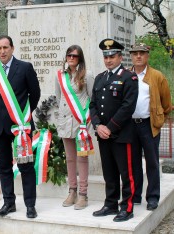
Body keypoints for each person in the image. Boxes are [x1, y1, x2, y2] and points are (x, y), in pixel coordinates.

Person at [0, 35, 41, 218]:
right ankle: (9, 203)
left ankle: (30, 205)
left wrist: (23, 116)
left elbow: (35, 94)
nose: (2, 51)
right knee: (4, 167)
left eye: (5, 47)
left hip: (21, 126)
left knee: (26, 166)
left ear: (12, 48)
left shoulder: (24, 67)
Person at [89, 39, 138, 222]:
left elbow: (128, 107)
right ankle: (110, 204)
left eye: (112, 56)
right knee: (109, 172)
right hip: (103, 135)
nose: (108, 60)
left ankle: (127, 207)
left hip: (121, 134)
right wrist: (97, 126)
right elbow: (93, 105)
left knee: (126, 173)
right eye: (106, 56)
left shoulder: (128, 77)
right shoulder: (101, 78)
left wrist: (109, 127)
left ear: (119, 57)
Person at [129, 43, 172, 210]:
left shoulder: (157, 76)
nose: (138, 56)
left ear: (147, 56)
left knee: (152, 162)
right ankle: (135, 195)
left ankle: (153, 197)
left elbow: (167, 104)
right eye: (135, 53)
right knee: (133, 162)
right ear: (131, 56)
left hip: (149, 125)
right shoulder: (126, 74)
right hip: (130, 125)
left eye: (142, 53)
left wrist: (159, 118)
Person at [55, 45, 94, 210]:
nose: (71, 58)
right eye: (69, 55)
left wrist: (86, 120)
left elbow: (92, 98)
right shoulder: (60, 76)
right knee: (70, 158)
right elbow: (58, 98)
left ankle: (83, 194)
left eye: (75, 56)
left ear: (80, 58)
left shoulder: (87, 76)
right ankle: (72, 191)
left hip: (81, 123)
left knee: (82, 158)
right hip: (65, 122)